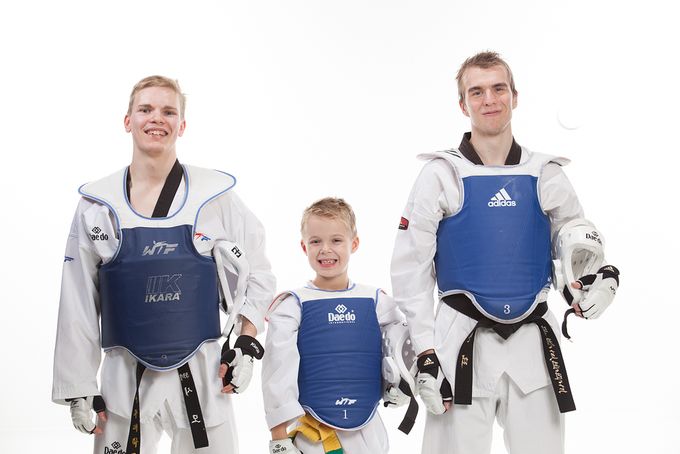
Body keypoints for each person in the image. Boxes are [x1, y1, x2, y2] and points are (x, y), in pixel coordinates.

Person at [390, 51, 620, 454]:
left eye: (499, 88)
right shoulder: (441, 174)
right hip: (460, 343)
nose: (489, 99)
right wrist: (424, 353)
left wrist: (593, 284)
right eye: (476, 91)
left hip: (532, 343)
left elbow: (576, 250)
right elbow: (411, 271)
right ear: (463, 105)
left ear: (515, 96)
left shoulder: (546, 173)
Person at [52, 75, 275, 454]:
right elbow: (78, 300)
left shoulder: (215, 198)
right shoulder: (98, 204)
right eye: (146, 109)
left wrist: (246, 342)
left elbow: (257, 272)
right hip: (125, 375)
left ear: (181, 125)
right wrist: (79, 386)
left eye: (168, 111)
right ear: (128, 121)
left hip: (203, 374)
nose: (157, 118)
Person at [262, 197, 411, 454]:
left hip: (369, 430)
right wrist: (279, 435)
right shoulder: (292, 305)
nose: (325, 249)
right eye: (316, 241)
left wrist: (401, 385)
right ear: (303, 246)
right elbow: (277, 368)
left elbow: (401, 345)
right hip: (315, 434)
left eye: (336, 240)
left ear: (354, 244)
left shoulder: (376, 301)